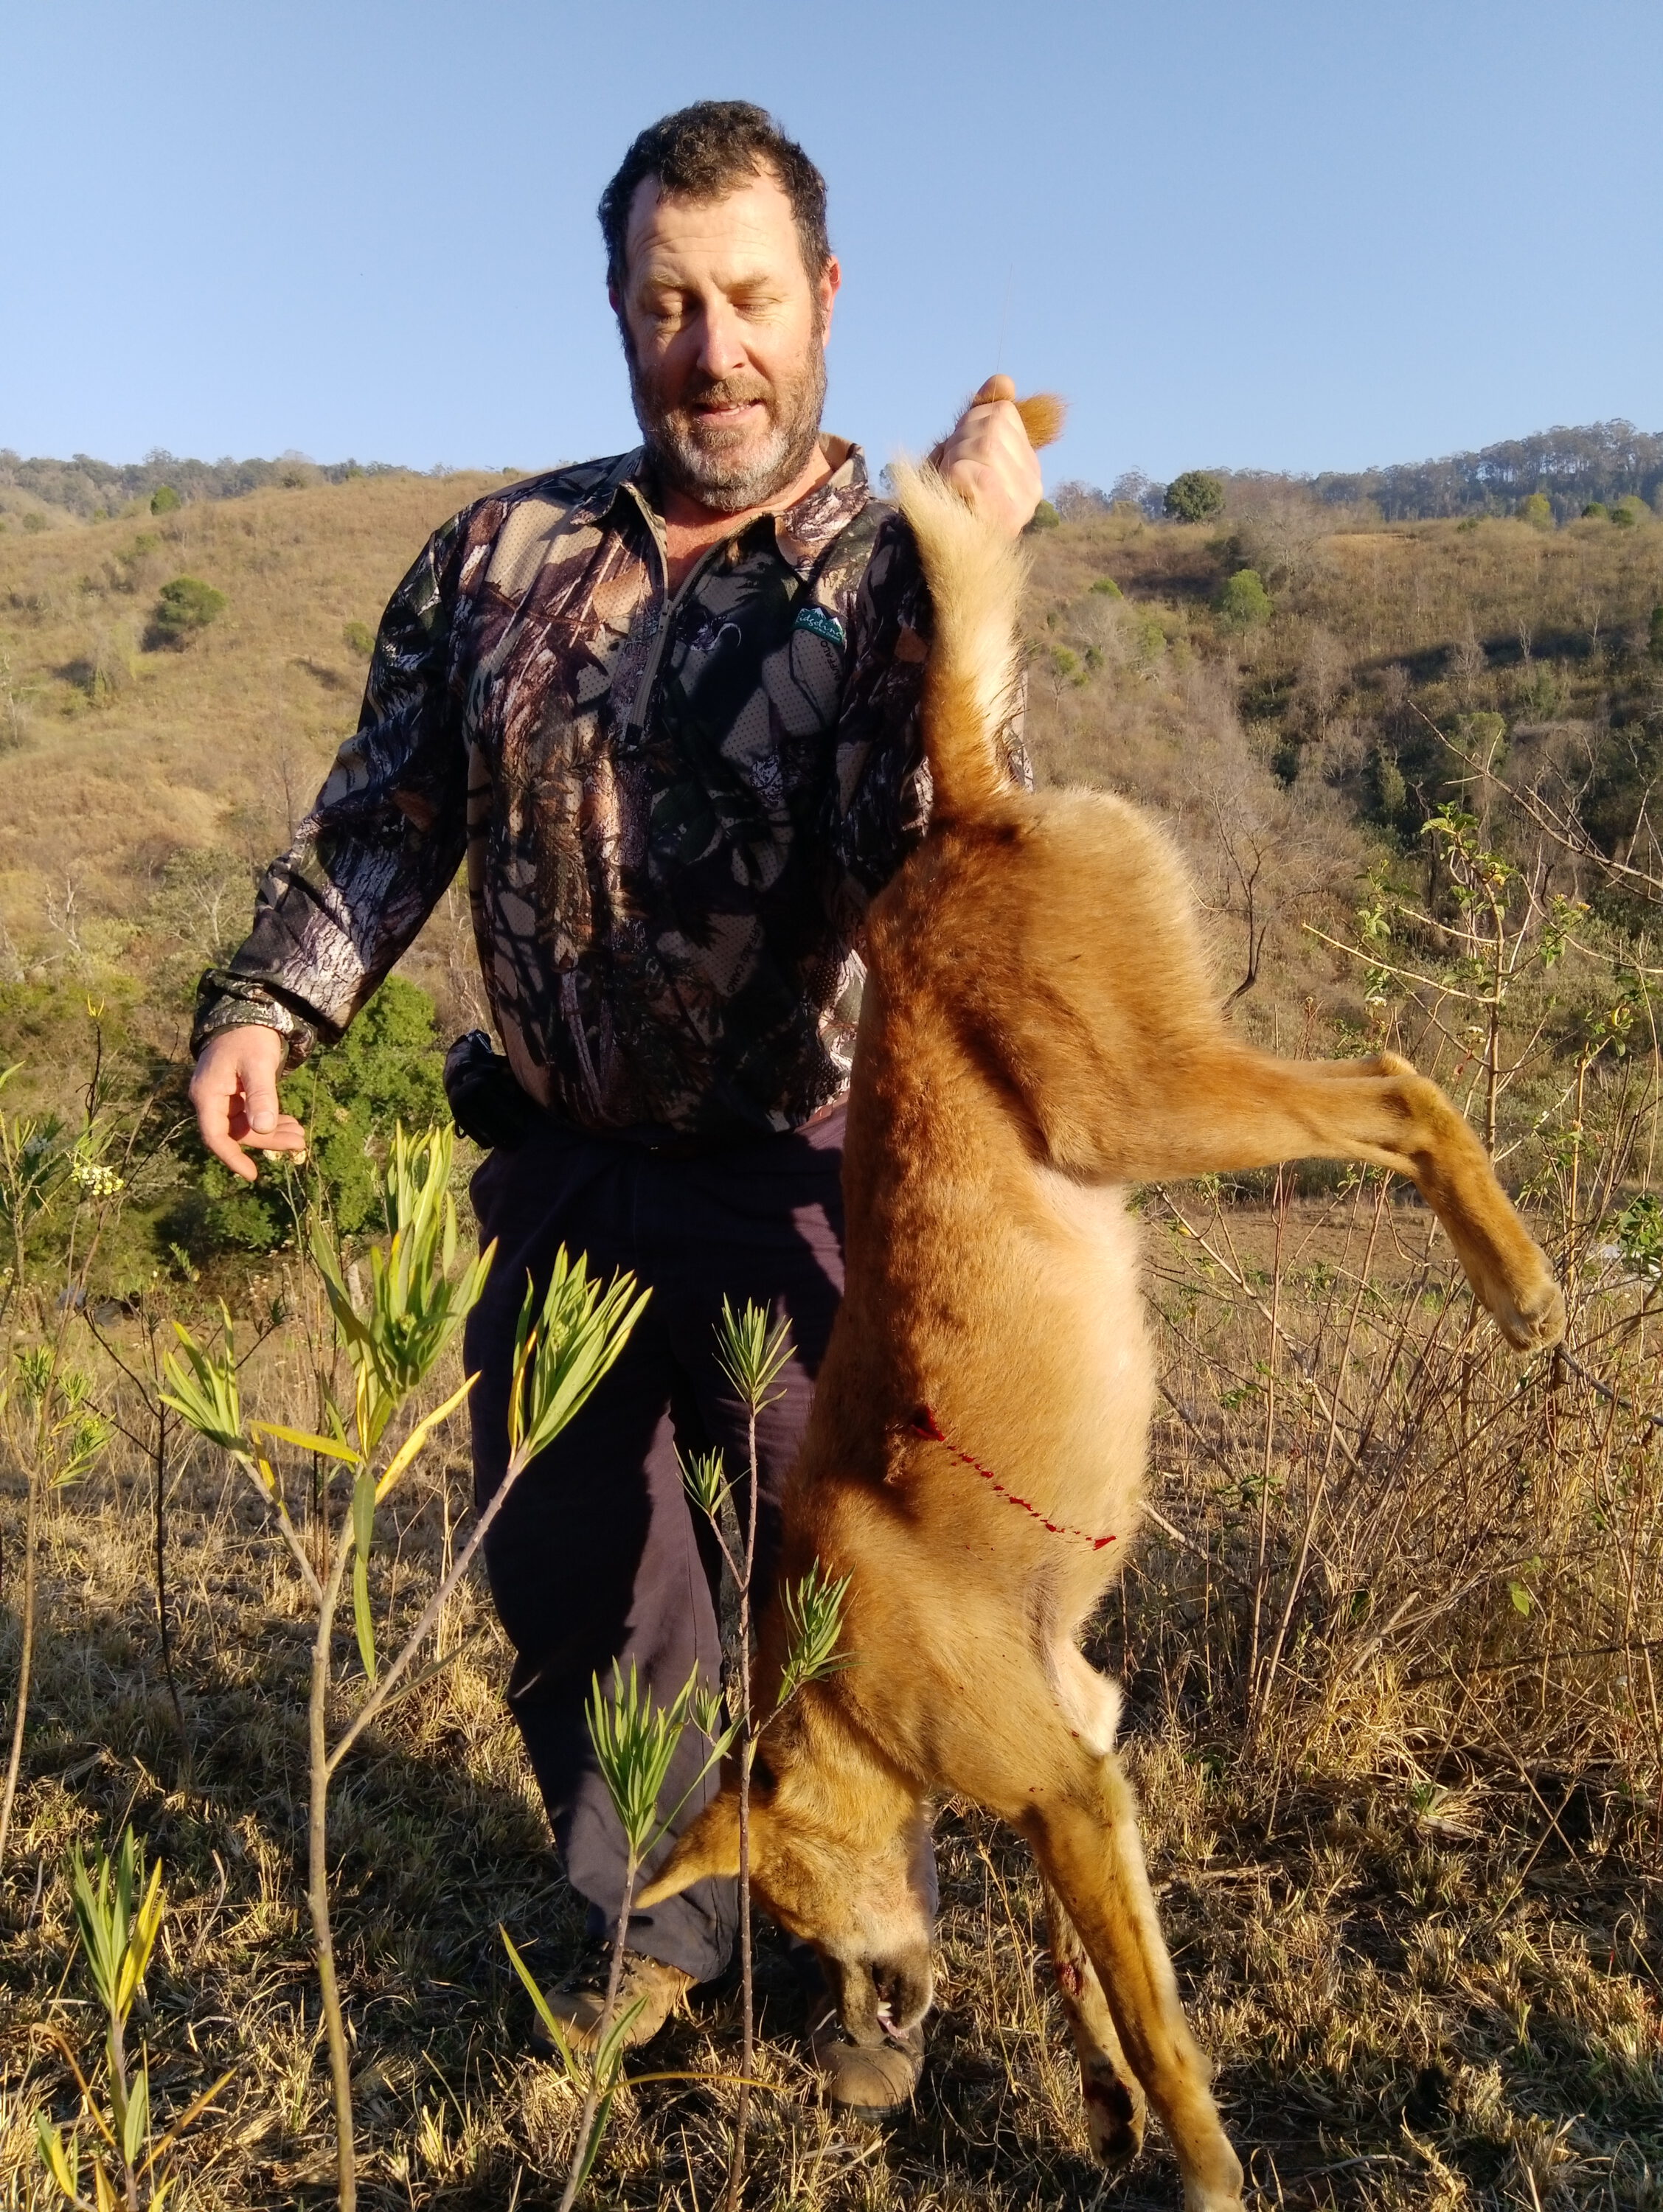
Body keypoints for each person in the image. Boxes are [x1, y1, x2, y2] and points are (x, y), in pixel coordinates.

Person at [188, 100, 1042, 2107]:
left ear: (825, 301)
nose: (712, 349)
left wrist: (978, 591)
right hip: (562, 1172)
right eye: (669, 302)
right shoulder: (501, 556)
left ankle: (856, 1971)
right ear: (616, 305)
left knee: (831, 1608)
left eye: (751, 300)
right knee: (580, 1585)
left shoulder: (889, 566)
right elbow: (385, 824)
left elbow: (942, 867)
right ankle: (652, 1938)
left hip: (804, 1187)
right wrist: (270, 1009)